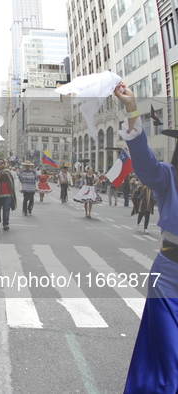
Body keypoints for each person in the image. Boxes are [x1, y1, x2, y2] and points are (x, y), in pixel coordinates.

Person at [113, 82, 178, 393]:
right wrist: (131, 110)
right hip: (170, 275)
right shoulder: (167, 177)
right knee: (169, 358)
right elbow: (142, 161)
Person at [0, 159, 17, 230]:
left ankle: (5, 224)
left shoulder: (6, 171)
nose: (0, 164)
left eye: (2, 163)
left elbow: (0, 176)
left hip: (7, 195)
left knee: (6, 209)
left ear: (4, 164)